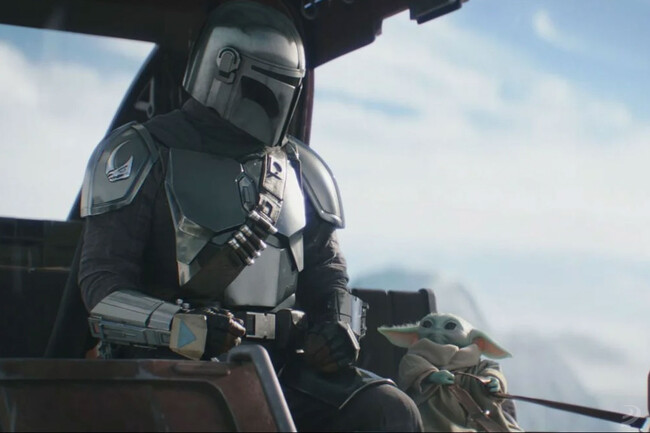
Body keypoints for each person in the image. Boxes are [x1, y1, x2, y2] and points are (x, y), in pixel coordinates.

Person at [78, 1, 422, 431]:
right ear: (225, 68)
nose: (282, 101)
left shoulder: (302, 169)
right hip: (171, 365)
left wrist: (337, 327)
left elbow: (328, 275)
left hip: (282, 367)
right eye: (272, 83)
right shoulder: (141, 153)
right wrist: (181, 328)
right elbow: (103, 289)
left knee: (389, 411)